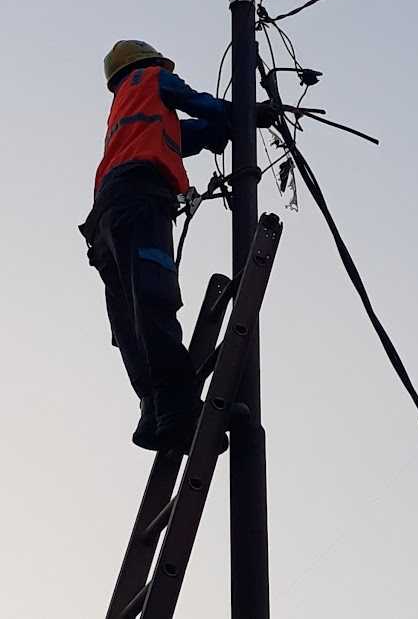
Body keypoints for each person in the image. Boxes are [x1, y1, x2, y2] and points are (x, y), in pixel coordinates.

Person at [79, 40, 275, 452]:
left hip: (105, 221)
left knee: (130, 320)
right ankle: (180, 412)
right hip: (141, 201)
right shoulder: (151, 78)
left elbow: (185, 133)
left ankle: (153, 413)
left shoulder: (128, 112)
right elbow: (195, 102)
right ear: (151, 63)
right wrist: (242, 112)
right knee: (154, 300)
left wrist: (222, 127)